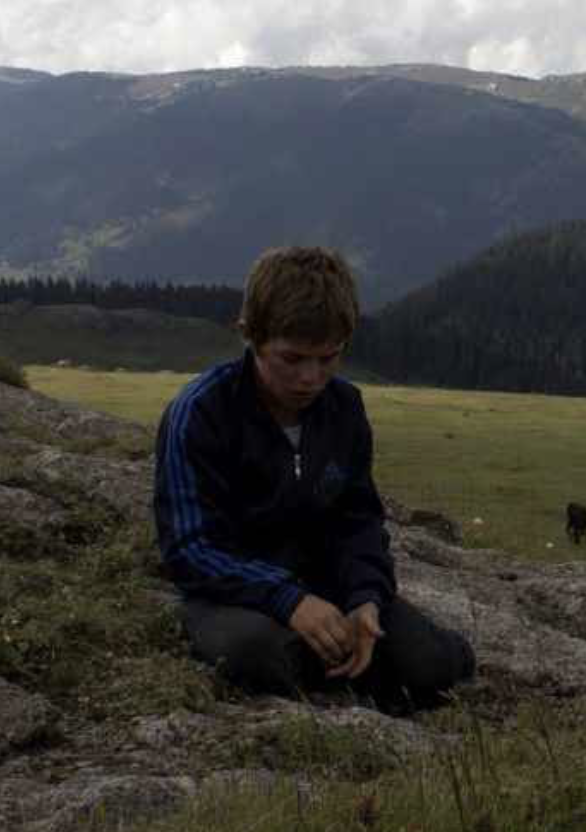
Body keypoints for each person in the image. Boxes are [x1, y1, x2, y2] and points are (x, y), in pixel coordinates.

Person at [153, 245, 474, 712]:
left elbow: (358, 519)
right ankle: (341, 667)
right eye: (292, 358)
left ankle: (354, 657)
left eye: (329, 358)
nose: (310, 378)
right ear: (251, 336)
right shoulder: (200, 412)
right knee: (256, 652)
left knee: (432, 665)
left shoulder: (345, 408)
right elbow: (190, 548)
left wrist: (366, 597)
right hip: (232, 594)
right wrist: (289, 601)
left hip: (326, 582)